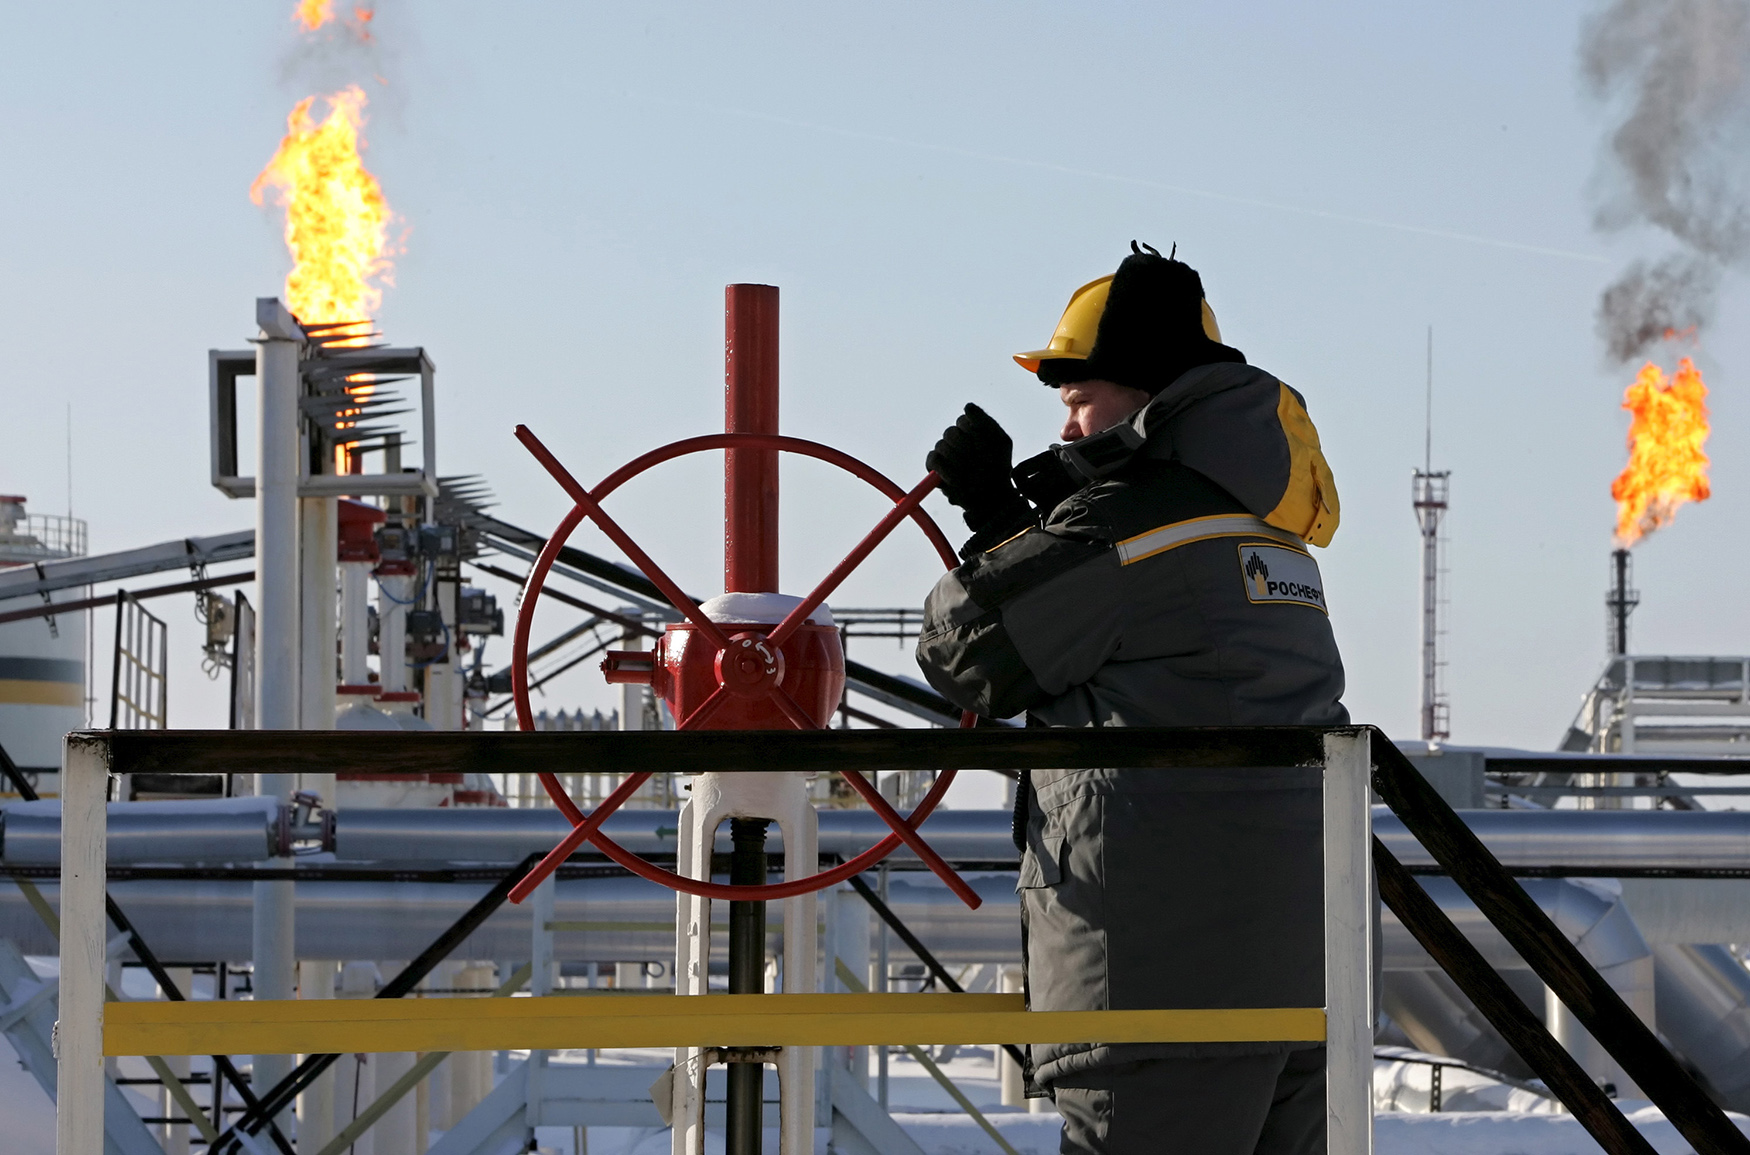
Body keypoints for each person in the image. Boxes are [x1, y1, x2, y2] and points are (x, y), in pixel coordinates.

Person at [913, 243, 1348, 1155]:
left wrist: (1000, 531)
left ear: (1148, 394)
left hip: (1158, 987)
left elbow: (967, 654)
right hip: (1304, 981)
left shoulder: (1124, 527)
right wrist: (1020, 531)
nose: (1067, 430)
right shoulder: (1268, 532)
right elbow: (1136, 641)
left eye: (1078, 399)